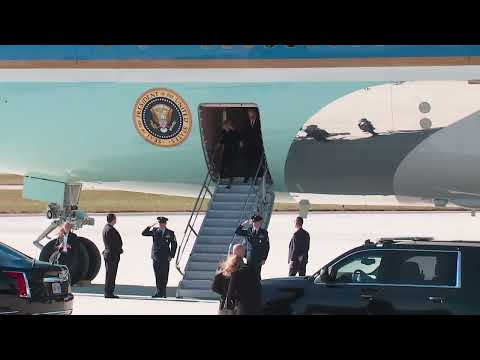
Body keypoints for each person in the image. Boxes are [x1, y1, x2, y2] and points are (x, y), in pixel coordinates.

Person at [212, 244, 262, 315]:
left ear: (232, 252)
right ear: (244, 253)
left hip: (225, 305)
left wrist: (225, 294)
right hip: (240, 306)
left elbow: (214, 287)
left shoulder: (222, 267)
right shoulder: (248, 270)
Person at [142, 216, 177, 298]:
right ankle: (158, 292)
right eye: (160, 223)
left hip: (165, 257)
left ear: (165, 224)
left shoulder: (170, 233)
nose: (161, 225)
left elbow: (174, 245)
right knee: (157, 275)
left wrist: (171, 255)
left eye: (162, 223)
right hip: (156, 257)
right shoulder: (154, 231)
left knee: (164, 275)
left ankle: (163, 292)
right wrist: (149, 226)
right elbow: (143, 233)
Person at [235, 214, 269, 280]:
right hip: (249, 257)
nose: (256, 224)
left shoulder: (264, 233)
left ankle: (258, 288)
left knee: (257, 275)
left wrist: (264, 258)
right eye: (255, 222)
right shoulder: (248, 231)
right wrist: (244, 223)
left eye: (258, 222)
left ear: (260, 223)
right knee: (249, 274)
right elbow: (237, 232)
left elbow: (266, 247)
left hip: (258, 257)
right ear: (252, 223)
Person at [102, 213, 123, 298]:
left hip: (110, 253)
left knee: (110, 274)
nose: (116, 220)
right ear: (113, 219)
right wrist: (119, 249)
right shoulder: (110, 229)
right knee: (111, 274)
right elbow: (112, 244)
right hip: (112, 255)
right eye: (115, 218)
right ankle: (109, 293)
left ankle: (109, 292)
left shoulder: (106, 228)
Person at [218, 119, 242, 189]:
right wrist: (219, 144)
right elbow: (222, 140)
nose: (223, 127)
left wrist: (240, 143)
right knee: (223, 164)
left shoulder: (234, 131)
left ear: (228, 125)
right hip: (226, 150)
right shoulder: (223, 132)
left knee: (231, 165)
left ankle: (230, 181)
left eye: (224, 126)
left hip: (233, 151)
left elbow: (239, 138)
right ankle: (221, 178)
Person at [242, 108, 263, 183]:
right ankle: (247, 176)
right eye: (249, 114)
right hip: (248, 146)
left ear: (255, 113)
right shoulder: (246, 122)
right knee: (247, 162)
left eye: (251, 113)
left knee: (256, 162)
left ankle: (256, 177)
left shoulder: (260, 122)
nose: (250, 115)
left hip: (257, 146)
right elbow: (244, 133)